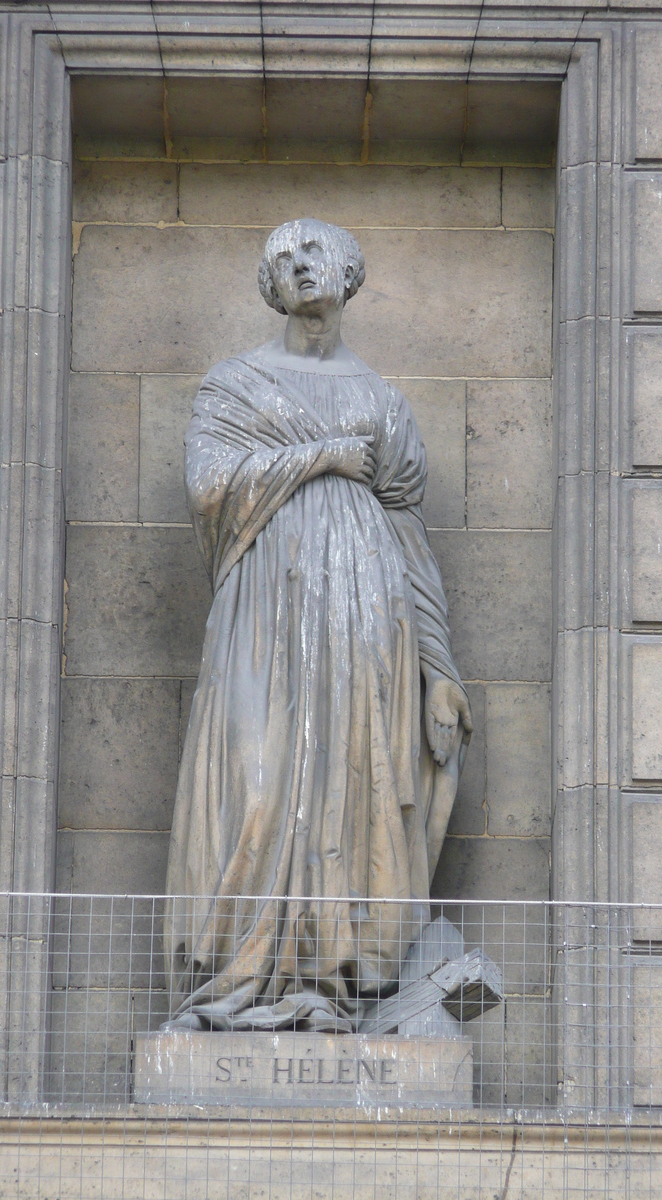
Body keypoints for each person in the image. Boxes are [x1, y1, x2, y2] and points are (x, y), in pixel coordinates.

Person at [163, 218, 472, 1032]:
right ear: (271, 285)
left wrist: (437, 669)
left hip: (366, 625)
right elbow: (207, 487)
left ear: (348, 271)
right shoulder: (232, 385)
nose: (302, 266)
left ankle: (330, 988)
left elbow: (409, 535)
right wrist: (322, 456)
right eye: (283, 259)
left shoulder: (382, 401)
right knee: (257, 787)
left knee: (352, 791)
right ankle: (233, 989)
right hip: (261, 621)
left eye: (315, 252)